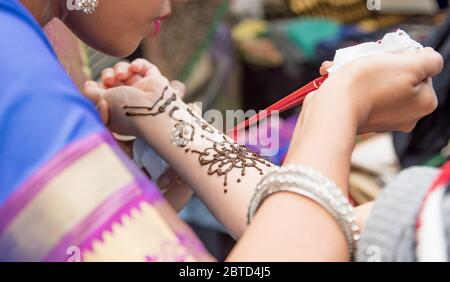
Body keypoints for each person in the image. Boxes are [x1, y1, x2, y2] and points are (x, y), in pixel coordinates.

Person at [0, 0, 443, 261]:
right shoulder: (18, 76)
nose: (173, 7)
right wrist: (340, 106)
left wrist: (156, 155)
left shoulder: (28, 53)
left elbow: (349, 232)